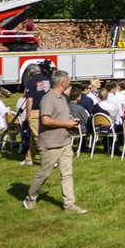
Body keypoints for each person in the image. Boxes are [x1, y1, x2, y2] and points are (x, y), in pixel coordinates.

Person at [22, 70, 87, 213]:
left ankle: (69, 204)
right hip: (50, 144)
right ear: (62, 82)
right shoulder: (48, 99)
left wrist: (70, 122)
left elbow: (60, 117)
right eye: (68, 78)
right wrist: (66, 124)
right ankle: (30, 198)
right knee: (44, 174)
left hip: (64, 142)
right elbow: (45, 120)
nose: (70, 80)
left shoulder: (63, 98)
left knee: (67, 174)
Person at [21, 62, 51, 166]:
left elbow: (29, 100)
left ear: (29, 73)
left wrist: (28, 113)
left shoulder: (30, 82)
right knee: (34, 137)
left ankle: (49, 159)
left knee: (39, 136)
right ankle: (29, 159)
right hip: (47, 110)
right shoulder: (47, 79)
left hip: (35, 110)